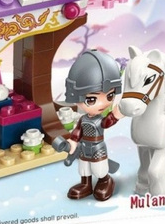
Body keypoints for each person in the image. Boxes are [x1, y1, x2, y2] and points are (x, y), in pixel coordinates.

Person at [53, 50, 123, 201]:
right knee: (84, 168)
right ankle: (86, 184)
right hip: (84, 148)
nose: (102, 103)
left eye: (110, 96)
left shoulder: (99, 120)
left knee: (99, 168)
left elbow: (106, 122)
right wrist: (72, 142)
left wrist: (115, 115)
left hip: (98, 147)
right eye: (91, 99)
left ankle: (105, 181)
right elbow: (78, 131)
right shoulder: (83, 119)